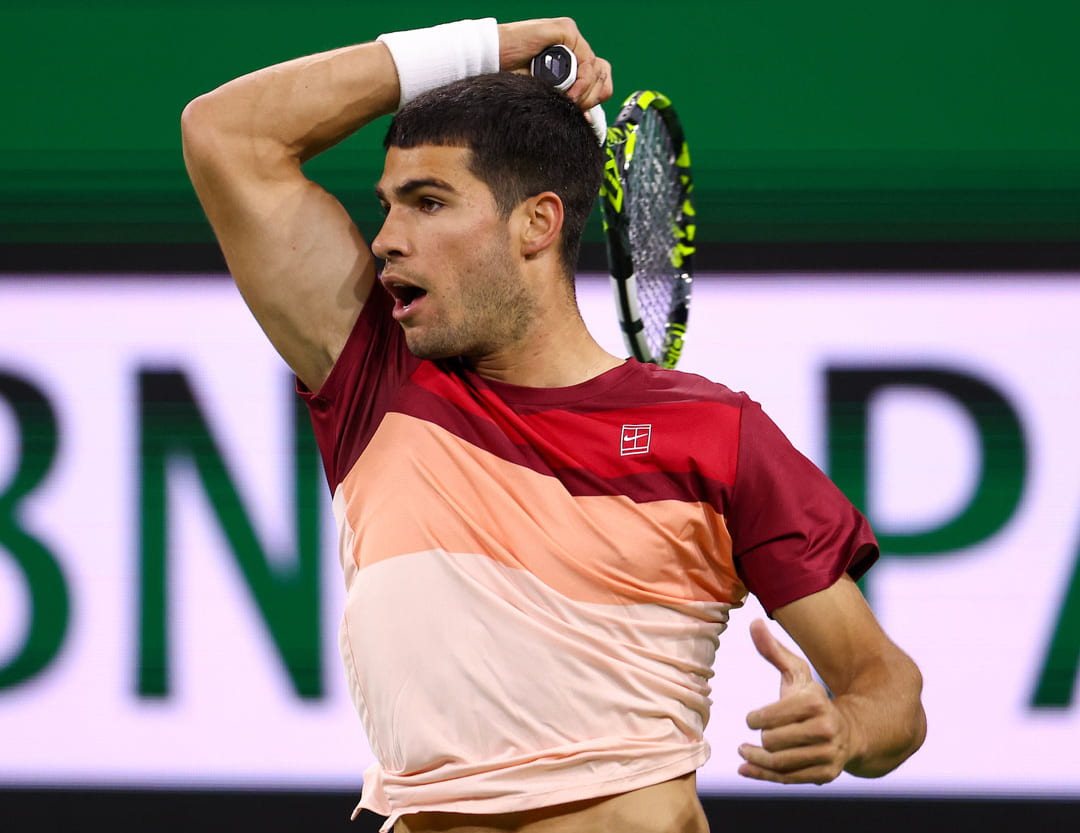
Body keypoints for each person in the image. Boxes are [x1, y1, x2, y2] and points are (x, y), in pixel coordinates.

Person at [181, 15, 926, 833]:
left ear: (537, 223)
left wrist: (846, 728)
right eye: (387, 206)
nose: (387, 240)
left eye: (429, 202)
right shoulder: (374, 378)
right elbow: (225, 133)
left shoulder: (717, 435)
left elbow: (887, 687)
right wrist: (481, 48)